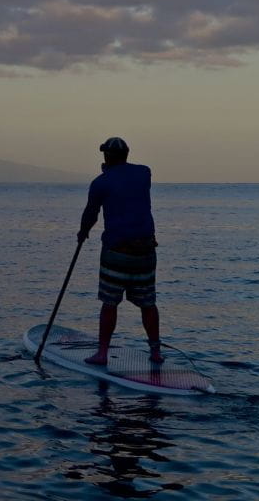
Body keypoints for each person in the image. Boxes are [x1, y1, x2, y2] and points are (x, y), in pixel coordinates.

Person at [77, 137, 163, 365]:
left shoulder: (100, 183)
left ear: (106, 157)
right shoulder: (145, 173)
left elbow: (91, 214)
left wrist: (82, 233)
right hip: (145, 251)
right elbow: (129, 185)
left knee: (110, 302)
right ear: (127, 154)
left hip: (117, 252)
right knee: (148, 303)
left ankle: (102, 353)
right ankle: (155, 352)